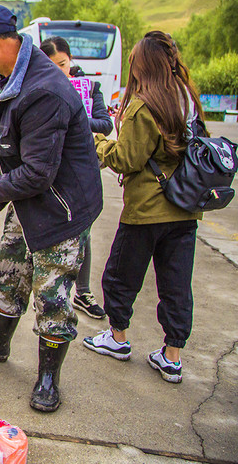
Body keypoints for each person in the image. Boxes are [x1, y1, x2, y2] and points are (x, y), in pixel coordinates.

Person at [0, 3, 103, 412]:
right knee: (8, 268)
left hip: (61, 205)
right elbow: (5, 113)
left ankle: (49, 377)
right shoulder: (6, 73)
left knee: (52, 292)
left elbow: (37, 175)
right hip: (30, 198)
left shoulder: (44, 89)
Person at [82, 31, 206, 384]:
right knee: (177, 284)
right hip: (185, 209)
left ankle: (118, 337)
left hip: (147, 210)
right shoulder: (187, 100)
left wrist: (100, 141)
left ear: (143, 65)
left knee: (121, 275)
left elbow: (127, 158)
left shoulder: (143, 104)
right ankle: (172, 355)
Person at [40, 36, 113, 319]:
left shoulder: (90, 88)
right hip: (49, 169)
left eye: (63, 64)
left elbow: (105, 123)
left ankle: (82, 292)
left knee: (83, 230)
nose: (59, 71)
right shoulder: (40, 87)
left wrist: (75, 115)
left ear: (70, 60)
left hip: (81, 170)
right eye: (52, 65)